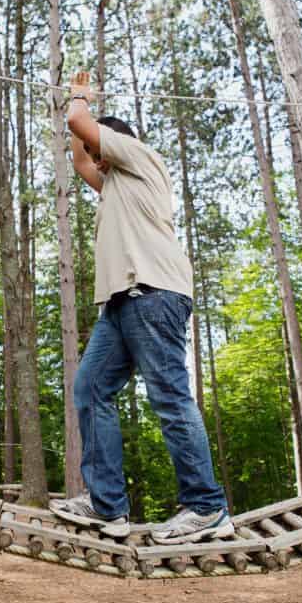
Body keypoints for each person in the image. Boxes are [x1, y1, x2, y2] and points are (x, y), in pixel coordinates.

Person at [50, 71, 232, 545]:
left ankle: (206, 507)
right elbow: (81, 159)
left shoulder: (139, 157)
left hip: (154, 294)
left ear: (113, 144)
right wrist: (75, 135)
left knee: (170, 398)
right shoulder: (115, 184)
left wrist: (79, 97)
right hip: (121, 302)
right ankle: (106, 506)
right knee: (90, 389)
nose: (94, 160)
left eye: (97, 149)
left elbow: (81, 121)